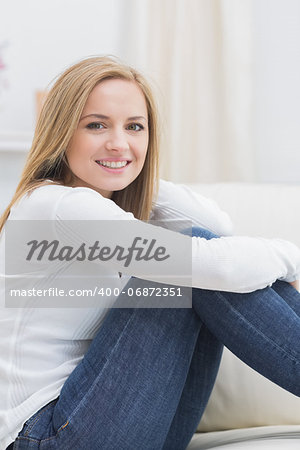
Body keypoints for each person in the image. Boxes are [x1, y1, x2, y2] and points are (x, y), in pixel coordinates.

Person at [1, 56, 300, 450]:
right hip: (44, 438)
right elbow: (216, 261)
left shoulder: (102, 205)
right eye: (96, 125)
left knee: (193, 258)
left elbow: (221, 228)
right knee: (186, 263)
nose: (118, 141)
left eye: (134, 127)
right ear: (62, 132)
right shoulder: (54, 205)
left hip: (122, 424)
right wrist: (291, 257)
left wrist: (128, 169)